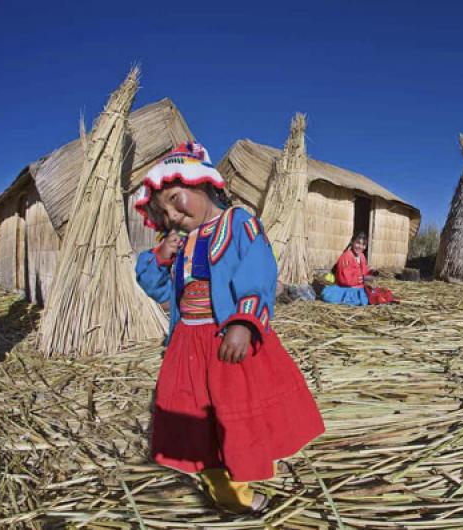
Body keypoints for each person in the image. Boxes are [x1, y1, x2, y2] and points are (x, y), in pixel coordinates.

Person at [134, 142, 324, 514]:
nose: (172, 215)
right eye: (164, 212)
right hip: (186, 345)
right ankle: (221, 488)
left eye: (176, 200)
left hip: (226, 340)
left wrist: (244, 322)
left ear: (201, 184)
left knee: (232, 414)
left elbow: (259, 272)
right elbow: (156, 288)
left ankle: (240, 489)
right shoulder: (178, 241)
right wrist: (160, 258)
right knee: (195, 420)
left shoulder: (239, 223)